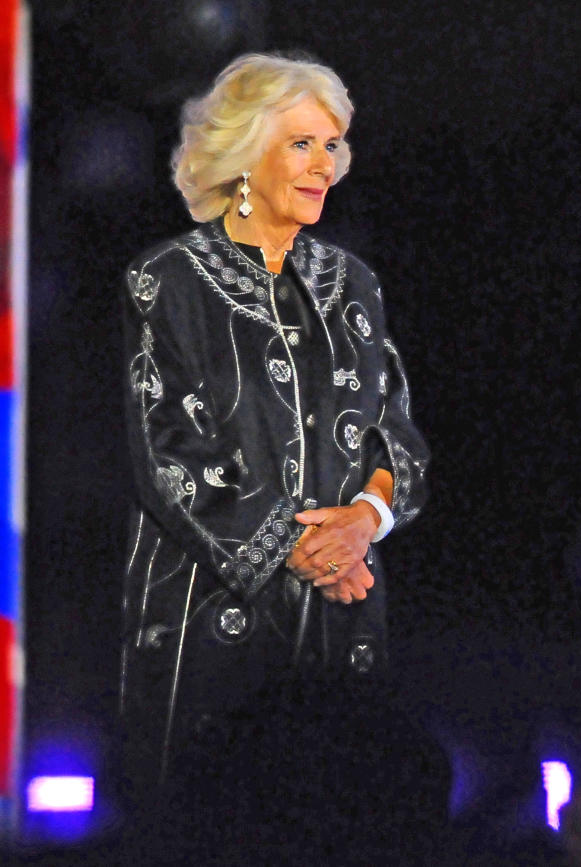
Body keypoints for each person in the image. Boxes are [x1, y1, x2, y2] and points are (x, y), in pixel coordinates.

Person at [119, 53, 429, 793]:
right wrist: (302, 549)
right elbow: (171, 455)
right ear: (244, 155)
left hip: (342, 616)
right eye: (301, 143)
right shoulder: (167, 281)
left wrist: (365, 519)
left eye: (331, 145)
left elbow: (397, 432)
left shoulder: (354, 282)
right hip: (211, 619)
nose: (324, 164)